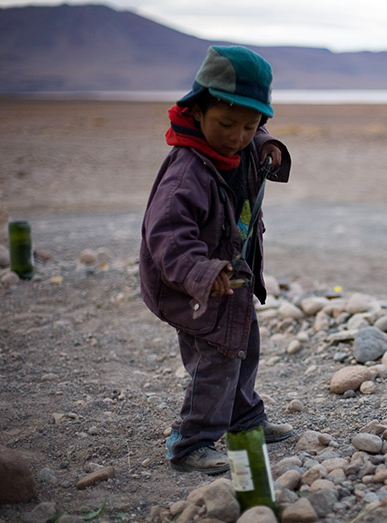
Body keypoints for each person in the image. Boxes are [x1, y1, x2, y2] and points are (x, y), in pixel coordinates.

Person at [139, 45, 293, 474]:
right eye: (226, 123)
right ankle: (191, 443)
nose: (237, 136)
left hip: (233, 278)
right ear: (198, 110)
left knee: (243, 348)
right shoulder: (187, 171)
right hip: (194, 287)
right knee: (215, 360)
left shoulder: (240, 149)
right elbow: (166, 237)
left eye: (250, 125)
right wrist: (203, 273)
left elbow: (254, 138)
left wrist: (267, 144)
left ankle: (245, 421)